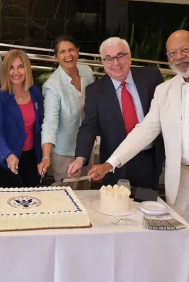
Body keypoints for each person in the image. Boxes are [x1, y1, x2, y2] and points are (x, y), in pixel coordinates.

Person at [86, 30, 189, 282]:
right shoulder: (164, 91)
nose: (179, 58)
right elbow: (144, 130)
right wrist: (111, 162)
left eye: (184, 50)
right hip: (180, 179)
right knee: (178, 241)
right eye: (173, 53)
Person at [68, 37, 165, 190]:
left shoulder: (151, 77)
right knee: (115, 209)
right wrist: (80, 158)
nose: (115, 63)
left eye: (120, 56)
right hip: (113, 166)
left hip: (149, 160)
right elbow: (89, 127)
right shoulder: (95, 91)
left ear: (129, 56)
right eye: (108, 58)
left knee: (147, 207)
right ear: (102, 61)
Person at [39, 35, 96, 186]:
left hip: (87, 144)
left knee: (86, 188)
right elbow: (50, 122)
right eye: (62, 52)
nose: (68, 55)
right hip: (65, 151)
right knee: (67, 192)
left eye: (71, 50)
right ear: (56, 57)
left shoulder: (87, 72)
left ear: (78, 51)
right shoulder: (52, 85)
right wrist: (46, 157)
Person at [0, 49, 44, 187]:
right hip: (8, 156)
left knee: (33, 198)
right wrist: (8, 155)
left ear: (27, 68)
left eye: (20, 67)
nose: (16, 72)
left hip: (31, 156)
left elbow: (39, 126)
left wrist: (43, 156)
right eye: (11, 67)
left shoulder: (35, 92)